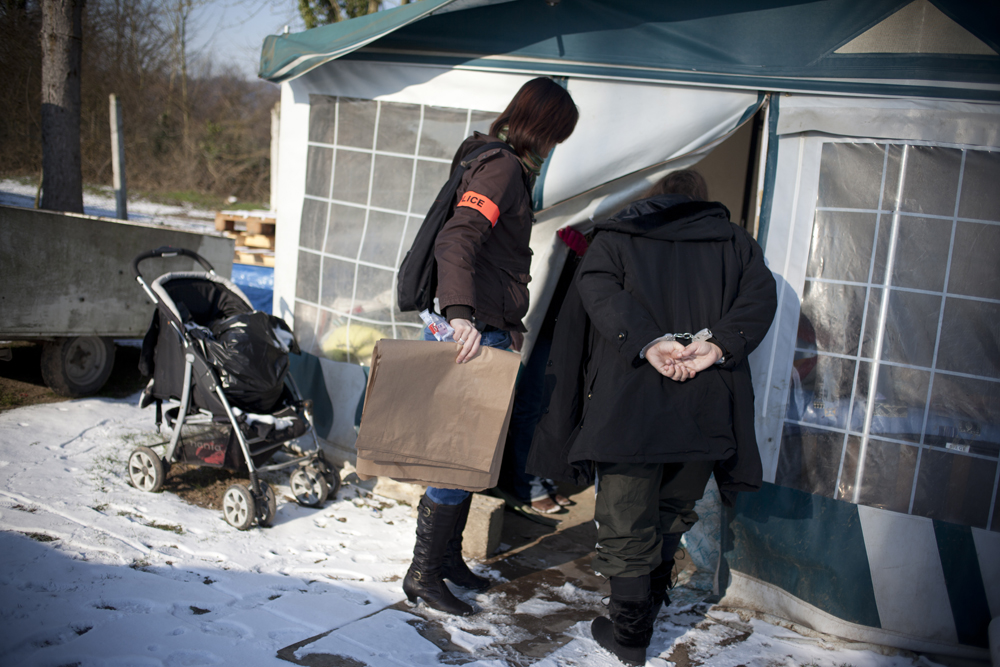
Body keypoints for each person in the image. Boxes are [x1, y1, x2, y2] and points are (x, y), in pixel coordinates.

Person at [527, 170, 777, 665]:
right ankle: (642, 620)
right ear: (700, 200)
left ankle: (630, 637)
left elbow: (597, 295)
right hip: (706, 404)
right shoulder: (737, 243)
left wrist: (649, 340)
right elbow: (760, 300)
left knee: (624, 521)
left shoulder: (616, 239)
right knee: (670, 514)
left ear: (653, 199)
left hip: (628, 405)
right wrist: (716, 344)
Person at [402, 77, 579, 617]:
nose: (552, 150)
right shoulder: (501, 166)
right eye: (554, 137)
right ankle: (423, 574)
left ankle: (447, 561)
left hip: (482, 323)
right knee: (457, 458)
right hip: (471, 328)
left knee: (472, 454)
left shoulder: (494, 162)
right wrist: (460, 317)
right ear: (540, 128)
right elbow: (457, 239)